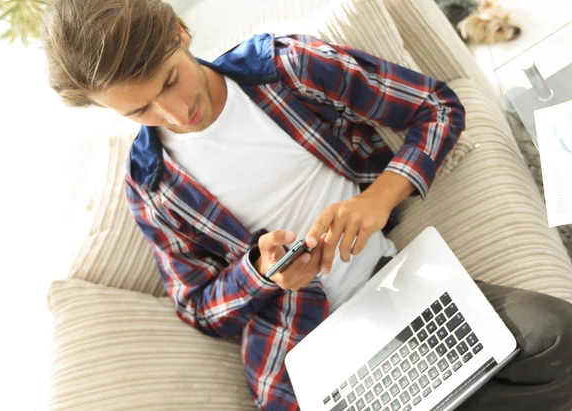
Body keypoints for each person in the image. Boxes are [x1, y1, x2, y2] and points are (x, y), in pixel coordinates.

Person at [41, 0, 572, 409]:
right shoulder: (150, 185)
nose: (176, 113)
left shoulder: (287, 68)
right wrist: (260, 274)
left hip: (392, 282)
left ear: (180, 34)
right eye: (141, 110)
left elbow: (436, 107)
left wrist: (379, 198)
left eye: (169, 81)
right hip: (301, 350)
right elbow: (198, 306)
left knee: (555, 336)